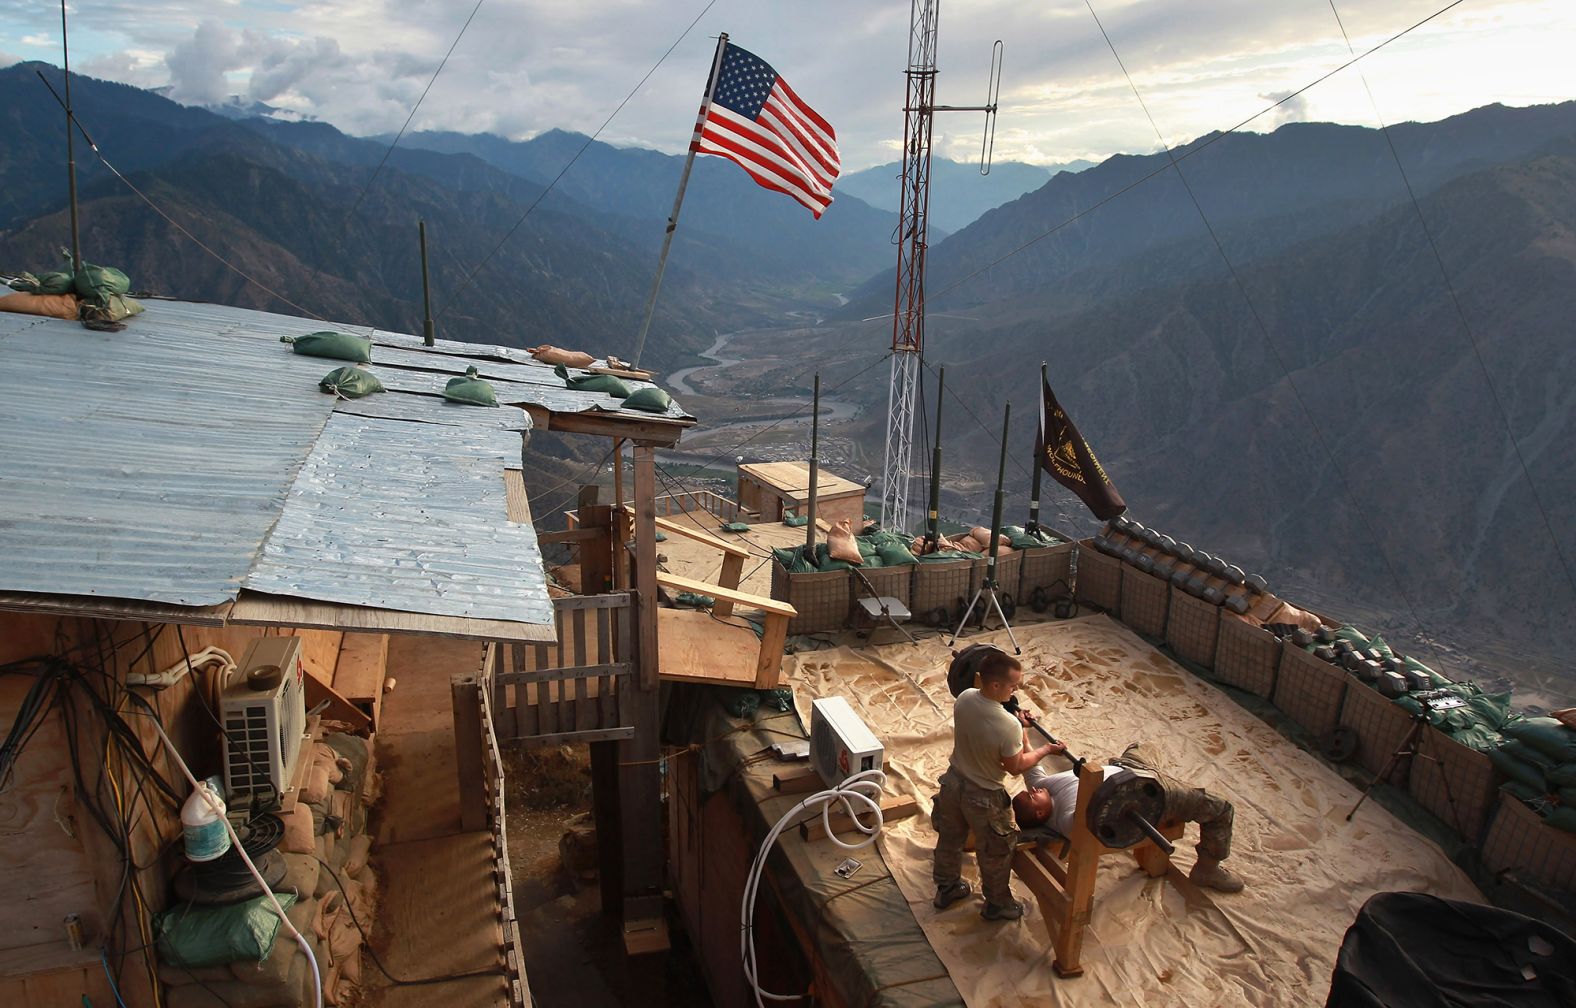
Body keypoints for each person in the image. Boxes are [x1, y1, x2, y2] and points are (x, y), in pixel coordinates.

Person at [932, 649, 1065, 921]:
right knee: (996, 852)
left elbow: (988, 724)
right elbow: (1015, 767)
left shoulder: (966, 698)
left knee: (949, 838)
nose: (1015, 690)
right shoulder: (1008, 727)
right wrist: (1046, 750)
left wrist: (1019, 725)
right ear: (994, 684)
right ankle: (997, 904)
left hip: (953, 783)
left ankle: (946, 888)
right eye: (1013, 686)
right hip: (984, 798)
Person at [1011, 741, 1245, 893]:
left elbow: (1028, 758)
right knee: (1221, 808)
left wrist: (1019, 722)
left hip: (1129, 767)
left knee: (1144, 745)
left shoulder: (1041, 786)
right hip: (1147, 795)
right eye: (1032, 797)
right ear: (1041, 813)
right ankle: (1208, 868)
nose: (1032, 790)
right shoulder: (1066, 819)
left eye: (1029, 791)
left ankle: (1168, 779)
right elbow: (1088, 828)